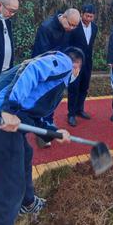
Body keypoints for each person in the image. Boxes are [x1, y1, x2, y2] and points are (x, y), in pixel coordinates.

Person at [0, 47, 84, 225]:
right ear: (77, 67)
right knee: (9, 192)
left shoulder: (55, 85)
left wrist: (54, 132)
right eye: (79, 70)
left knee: (26, 153)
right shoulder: (64, 63)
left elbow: (34, 116)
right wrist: (10, 109)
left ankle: (28, 202)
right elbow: (32, 69)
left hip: (0, 119)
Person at [31, 8, 80, 147]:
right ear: (63, 17)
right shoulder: (46, 28)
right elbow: (41, 54)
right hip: (45, 70)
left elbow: (68, 49)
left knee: (53, 100)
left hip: (59, 70)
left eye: (75, 26)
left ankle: (49, 123)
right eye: (70, 24)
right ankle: (41, 134)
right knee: (42, 101)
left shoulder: (68, 29)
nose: (72, 28)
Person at [67, 4, 98, 126]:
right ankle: (71, 114)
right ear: (81, 14)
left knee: (84, 87)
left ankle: (80, 109)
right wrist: (71, 61)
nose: (89, 18)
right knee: (73, 88)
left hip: (88, 63)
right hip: (75, 63)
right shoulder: (74, 26)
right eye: (87, 16)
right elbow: (68, 44)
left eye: (91, 16)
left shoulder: (94, 28)